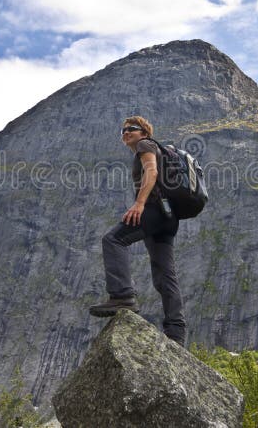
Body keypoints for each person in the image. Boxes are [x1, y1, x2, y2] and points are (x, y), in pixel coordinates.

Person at [89, 116, 187, 346]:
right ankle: (176, 333)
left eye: (131, 129)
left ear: (144, 132)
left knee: (113, 240)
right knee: (165, 274)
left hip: (154, 209)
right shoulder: (152, 148)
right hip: (168, 217)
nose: (125, 132)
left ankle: (122, 296)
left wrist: (140, 203)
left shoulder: (146, 145)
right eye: (122, 130)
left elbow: (151, 173)